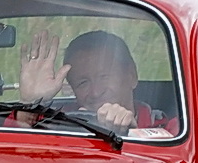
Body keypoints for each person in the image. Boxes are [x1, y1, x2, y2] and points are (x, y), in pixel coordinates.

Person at [16, 28, 178, 134]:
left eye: (104, 77)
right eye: (83, 83)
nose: (95, 92)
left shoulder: (167, 128)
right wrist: (29, 104)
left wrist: (134, 133)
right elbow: (19, 155)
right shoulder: (58, 124)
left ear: (131, 76)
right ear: (72, 88)